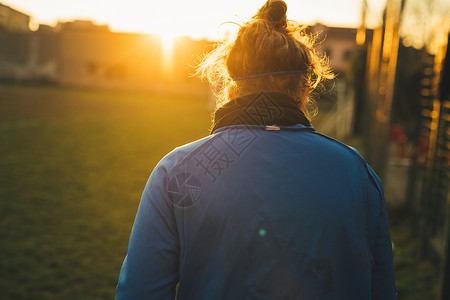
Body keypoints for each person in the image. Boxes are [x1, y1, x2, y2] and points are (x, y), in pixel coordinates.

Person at [116, 0, 397, 299]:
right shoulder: (358, 172)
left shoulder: (176, 172)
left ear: (232, 90)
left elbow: (139, 292)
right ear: (304, 91)